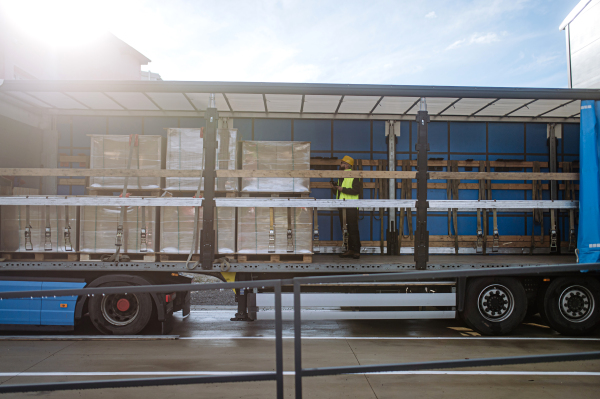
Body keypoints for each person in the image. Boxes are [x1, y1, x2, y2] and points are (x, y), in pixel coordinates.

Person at [331, 155, 361, 259]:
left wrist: (342, 189)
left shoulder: (354, 176)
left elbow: (356, 190)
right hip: (342, 206)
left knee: (353, 229)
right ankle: (350, 249)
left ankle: (356, 250)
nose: (340, 165)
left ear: (347, 164)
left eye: (342, 163)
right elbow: (338, 193)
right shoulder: (341, 176)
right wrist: (334, 188)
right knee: (345, 229)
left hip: (351, 206)